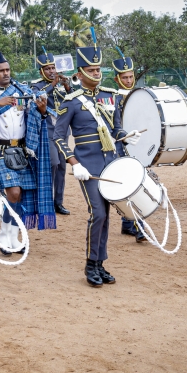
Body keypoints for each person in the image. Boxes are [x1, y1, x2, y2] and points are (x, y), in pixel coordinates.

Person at [53, 36, 142, 287]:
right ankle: (91, 264)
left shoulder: (110, 96)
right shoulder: (71, 102)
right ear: (80, 73)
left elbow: (116, 129)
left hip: (111, 163)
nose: (97, 73)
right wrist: (74, 162)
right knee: (98, 213)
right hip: (87, 166)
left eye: (98, 69)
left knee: (107, 215)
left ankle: (100, 263)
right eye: (91, 70)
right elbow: (59, 137)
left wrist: (126, 136)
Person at [0, 52, 55, 255]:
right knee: (13, 193)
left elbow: (38, 112)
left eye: (8, 70)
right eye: (1, 71)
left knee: (21, 195)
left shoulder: (21, 90)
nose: (6, 73)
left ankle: (12, 235)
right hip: (0, 150)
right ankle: (3, 234)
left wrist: (42, 110)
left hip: (21, 150)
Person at [30, 47, 71, 216]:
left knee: (62, 165)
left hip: (62, 129)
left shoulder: (63, 83)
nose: (52, 71)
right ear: (41, 71)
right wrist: (52, 85)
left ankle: (58, 203)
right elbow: (36, 98)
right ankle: (43, 200)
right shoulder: (36, 85)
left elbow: (73, 98)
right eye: (47, 68)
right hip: (47, 129)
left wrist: (67, 86)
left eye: (53, 67)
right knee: (52, 163)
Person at [112, 52, 146, 243]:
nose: (128, 80)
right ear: (117, 79)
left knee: (137, 184)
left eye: (131, 76)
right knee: (128, 185)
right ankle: (137, 226)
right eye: (124, 77)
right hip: (120, 146)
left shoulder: (141, 95)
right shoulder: (113, 97)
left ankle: (129, 224)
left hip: (138, 145)